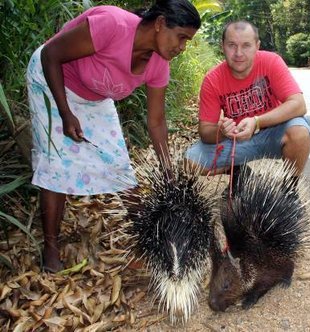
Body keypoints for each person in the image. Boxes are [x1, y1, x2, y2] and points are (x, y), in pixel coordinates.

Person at [26, 0, 201, 273]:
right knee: (56, 164)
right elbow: (51, 54)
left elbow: (156, 122)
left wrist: (168, 172)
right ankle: (50, 246)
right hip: (51, 80)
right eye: (181, 37)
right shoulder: (112, 25)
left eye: (187, 41)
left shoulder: (158, 65)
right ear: (159, 24)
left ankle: (148, 240)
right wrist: (64, 112)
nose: (182, 47)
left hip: (95, 97)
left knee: (119, 165)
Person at [185, 20, 310, 191]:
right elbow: (205, 132)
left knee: (300, 133)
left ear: (257, 46)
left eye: (246, 45)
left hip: (273, 133)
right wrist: (222, 132)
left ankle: (290, 188)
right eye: (232, 45)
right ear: (222, 46)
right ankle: (238, 171)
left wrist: (257, 122)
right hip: (236, 139)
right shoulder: (212, 80)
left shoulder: (271, 61)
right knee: (190, 163)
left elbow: (298, 105)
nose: (238, 53)